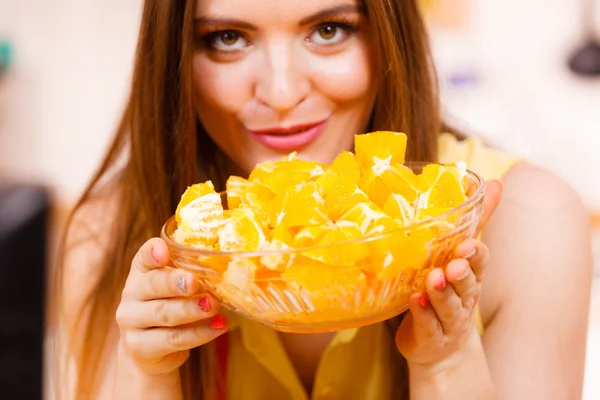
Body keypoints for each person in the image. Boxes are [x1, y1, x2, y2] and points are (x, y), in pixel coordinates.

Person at [50, 0, 593, 399]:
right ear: (174, 58)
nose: (283, 94)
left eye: (330, 30)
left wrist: (446, 365)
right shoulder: (107, 242)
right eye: (228, 38)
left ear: (389, 34)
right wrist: (146, 377)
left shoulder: (535, 227)